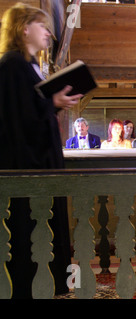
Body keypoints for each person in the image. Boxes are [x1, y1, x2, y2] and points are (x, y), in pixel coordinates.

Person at [0, 3, 83, 298]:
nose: (48, 33)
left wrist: (53, 103)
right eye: (42, 26)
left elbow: (33, 112)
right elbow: (15, 119)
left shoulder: (30, 66)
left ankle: (51, 285)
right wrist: (53, 103)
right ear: (24, 28)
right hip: (26, 168)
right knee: (29, 234)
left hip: (42, 164)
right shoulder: (12, 64)